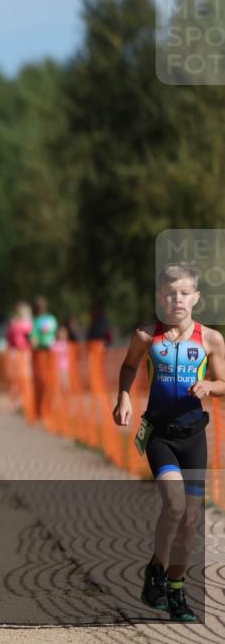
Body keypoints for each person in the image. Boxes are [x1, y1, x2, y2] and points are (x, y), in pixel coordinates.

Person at [112, 262, 225, 622]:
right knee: (174, 505)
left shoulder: (210, 340)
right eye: (170, 293)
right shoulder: (147, 336)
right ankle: (158, 572)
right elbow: (129, 366)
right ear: (161, 297)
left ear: (196, 298)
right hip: (159, 435)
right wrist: (124, 397)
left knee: (191, 520)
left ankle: (174, 586)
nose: (177, 299)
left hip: (193, 436)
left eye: (184, 293)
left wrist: (210, 387)